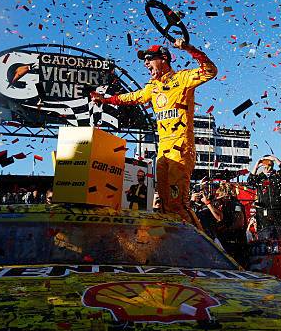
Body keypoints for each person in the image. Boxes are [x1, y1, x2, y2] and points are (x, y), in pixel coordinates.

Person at [93, 39, 217, 228]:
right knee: (166, 207)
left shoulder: (182, 78)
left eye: (149, 58)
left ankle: (203, 251)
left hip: (181, 149)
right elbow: (132, 97)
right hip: (163, 152)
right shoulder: (153, 88)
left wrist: (188, 48)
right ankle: (175, 249)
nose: (145, 63)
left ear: (164, 59)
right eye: (145, 60)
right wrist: (106, 100)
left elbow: (210, 71)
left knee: (179, 204)